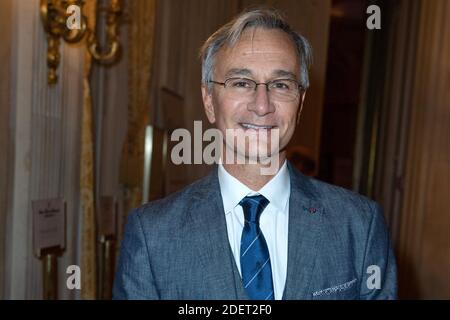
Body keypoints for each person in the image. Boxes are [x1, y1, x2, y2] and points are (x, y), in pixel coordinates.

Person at [113, 8, 397, 300]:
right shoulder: (152, 235)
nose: (262, 105)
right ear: (209, 101)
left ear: (299, 104)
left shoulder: (359, 225)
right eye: (241, 83)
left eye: (281, 84)